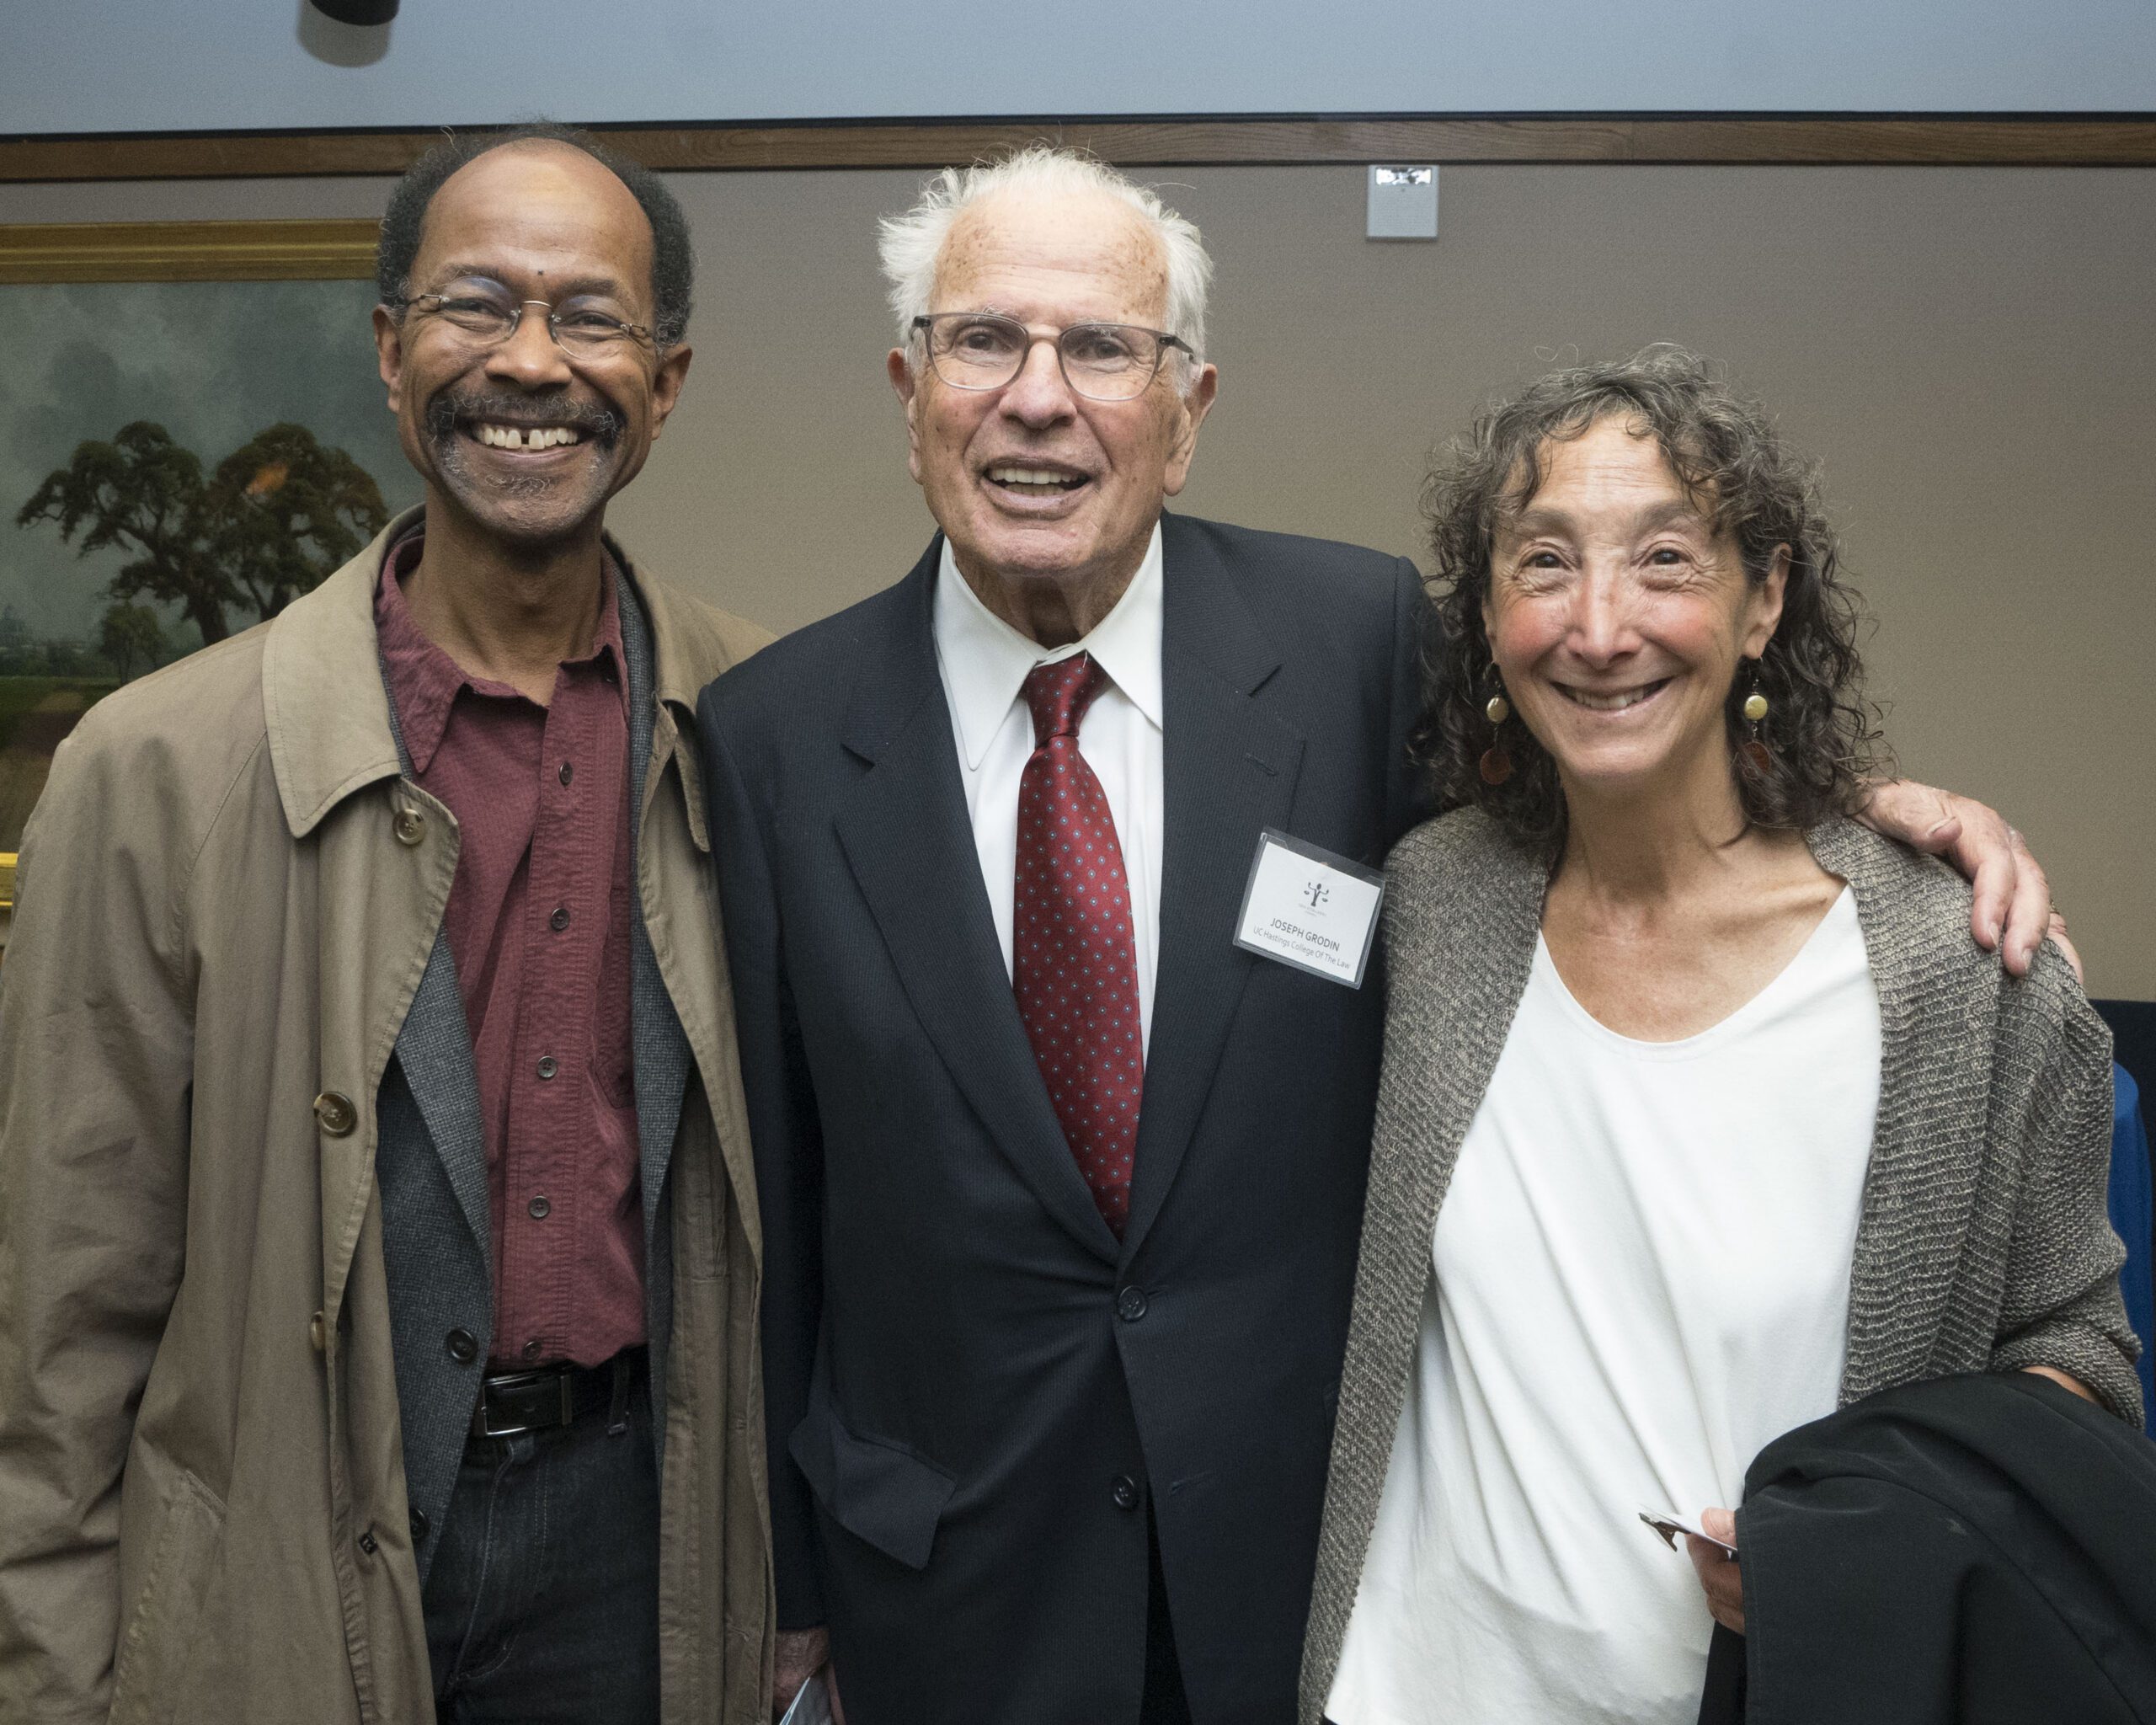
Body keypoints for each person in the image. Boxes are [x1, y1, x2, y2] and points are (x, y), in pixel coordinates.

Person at [698, 152, 2052, 1725]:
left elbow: (1603, 770)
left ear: (1189, 411)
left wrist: (1848, 817)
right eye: (984, 339)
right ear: (910, 386)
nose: (1038, 398)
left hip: (1299, 1569)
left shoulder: (1350, 642)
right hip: (944, 1583)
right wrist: (795, 1596)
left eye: (1103, 348)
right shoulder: (775, 735)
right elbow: (775, 1207)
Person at [0, 126, 772, 1724]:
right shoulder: (153, 769)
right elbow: (56, 1330)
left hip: (647, 1549)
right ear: (389, 349)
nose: (533, 363)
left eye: (593, 317)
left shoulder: (766, 727)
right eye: (476, 306)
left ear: (670, 380)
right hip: (280, 1555)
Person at [1299, 348, 2138, 1725]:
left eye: (1668, 560)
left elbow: (2085, 1360)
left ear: (1766, 600)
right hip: (1409, 1690)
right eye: (1544, 562)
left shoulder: (1961, 972)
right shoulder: (1434, 903)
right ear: (1491, 624)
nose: (1600, 624)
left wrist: (1867, 1540)